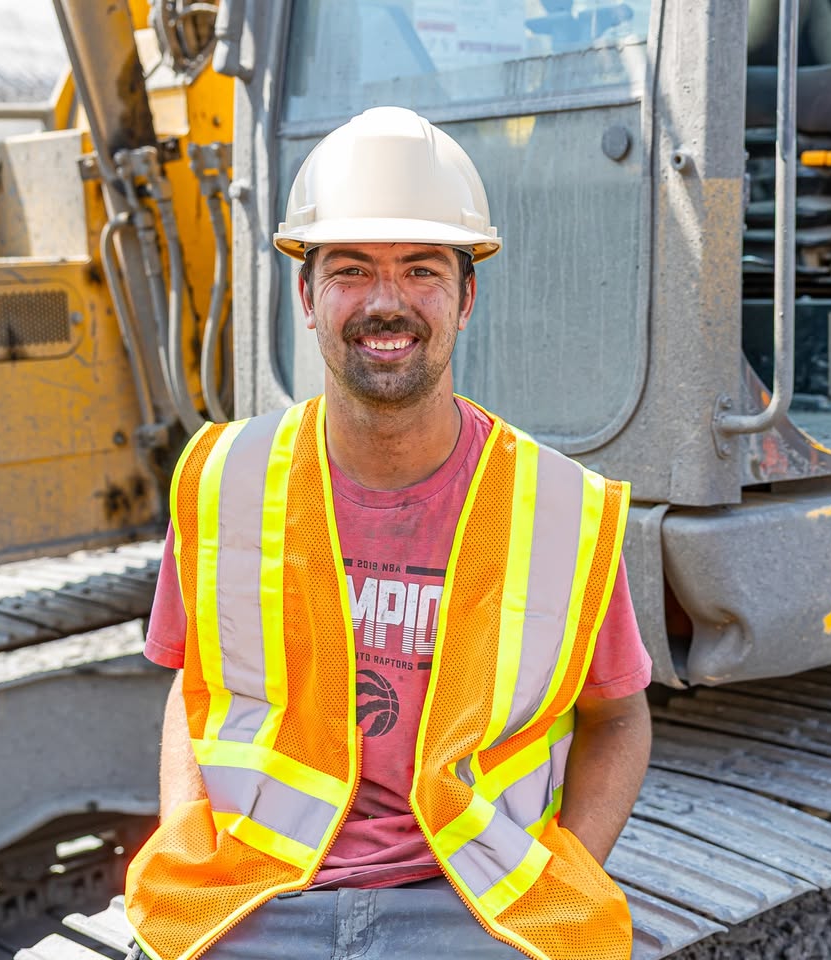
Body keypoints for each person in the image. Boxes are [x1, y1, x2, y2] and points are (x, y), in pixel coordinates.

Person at [123, 106, 653, 960]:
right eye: (351, 269)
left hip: (476, 903)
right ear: (307, 296)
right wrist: (185, 831)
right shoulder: (225, 480)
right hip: (254, 895)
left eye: (420, 269)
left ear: (466, 297)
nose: (385, 301)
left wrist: (567, 872)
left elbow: (619, 718)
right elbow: (196, 689)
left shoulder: (560, 509)